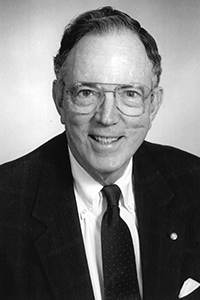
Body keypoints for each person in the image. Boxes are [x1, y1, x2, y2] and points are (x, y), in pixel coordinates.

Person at [0, 6, 200, 300]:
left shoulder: (194, 183)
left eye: (129, 93)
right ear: (59, 99)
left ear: (153, 105)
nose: (107, 117)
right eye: (87, 92)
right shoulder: (7, 204)